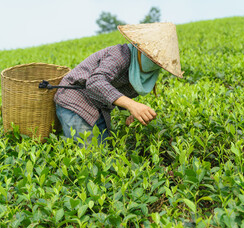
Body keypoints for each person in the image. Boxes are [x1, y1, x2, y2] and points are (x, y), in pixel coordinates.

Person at [54, 22, 184, 144]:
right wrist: (132, 105)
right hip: (75, 100)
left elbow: (119, 92)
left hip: (99, 108)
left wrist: (129, 113)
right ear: (141, 48)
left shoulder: (145, 73)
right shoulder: (120, 54)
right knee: (88, 155)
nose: (154, 62)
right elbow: (95, 82)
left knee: (103, 156)